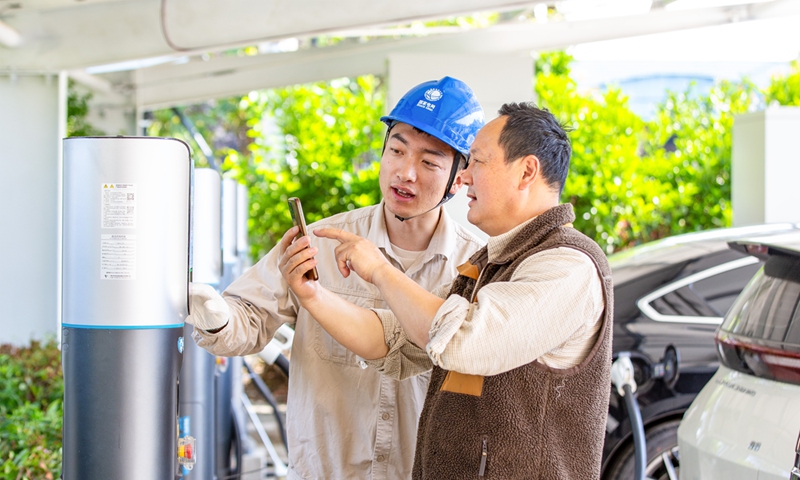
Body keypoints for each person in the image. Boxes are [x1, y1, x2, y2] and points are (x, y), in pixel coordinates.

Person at [280, 102, 614, 479]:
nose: (465, 176)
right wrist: (313, 297)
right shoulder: (492, 263)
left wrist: (378, 270)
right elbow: (399, 341)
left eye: (477, 162)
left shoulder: (567, 267)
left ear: (526, 171)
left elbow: (467, 340)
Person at [185, 76, 486, 480]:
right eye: (396, 150)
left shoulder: (477, 266)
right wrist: (216, 315)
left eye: (429, 162)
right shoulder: (320, 243)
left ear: (459, 177)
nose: (406, 172)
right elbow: (249, 321)